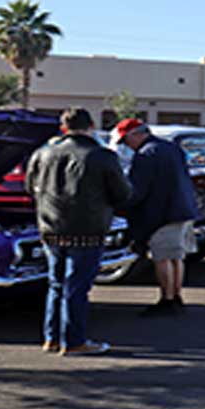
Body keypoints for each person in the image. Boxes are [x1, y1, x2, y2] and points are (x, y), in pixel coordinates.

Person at [26, 108, 132, 355]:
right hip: (88, 228)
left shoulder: (43, 153)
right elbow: (122, 193)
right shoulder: (101, 156)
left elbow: (30, 187)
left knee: (56, 283)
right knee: (76, 287)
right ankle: (74, 341)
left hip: (50, 226)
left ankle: (51, 337)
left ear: (64, 127)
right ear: (91, 125)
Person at [116, 118, 199, 316]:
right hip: (183, 209)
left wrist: (119, 205)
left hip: (162, 213)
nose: (127, 146)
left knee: (162, 258)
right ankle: (176, 296)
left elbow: (137, 191)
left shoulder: (146, 154)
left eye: (126, 140)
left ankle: (166, 300)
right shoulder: (171, 148)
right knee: (177, 257)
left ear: (136, 134)